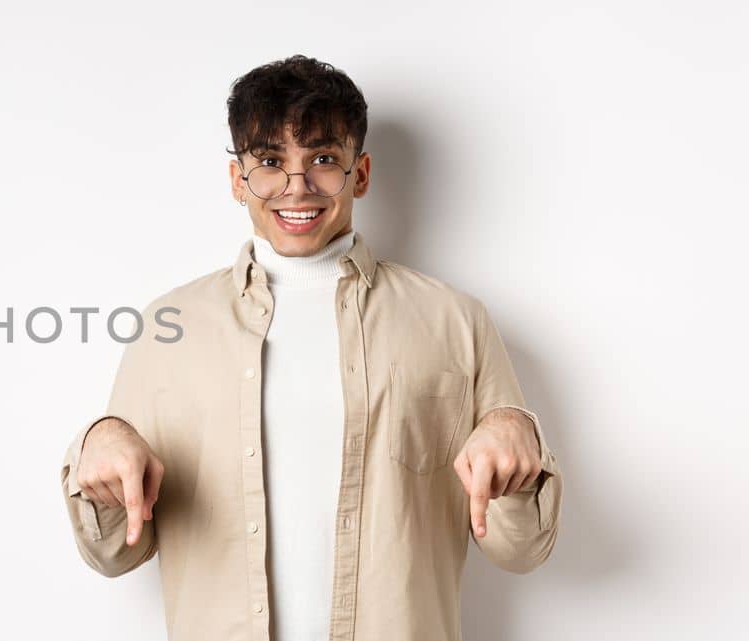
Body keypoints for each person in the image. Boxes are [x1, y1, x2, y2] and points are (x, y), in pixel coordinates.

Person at [58, 55, 562, 641]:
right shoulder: (168, 327)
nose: (297, 187)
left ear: (362, 173)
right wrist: (97, 443)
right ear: (237, 180)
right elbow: (114, 555)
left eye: (323, 159)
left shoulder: (456, 321)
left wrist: (517, 442)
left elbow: (521, 550)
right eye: (270, 162)